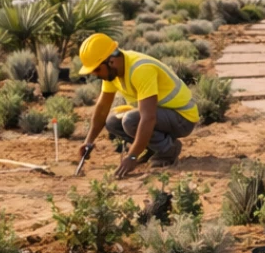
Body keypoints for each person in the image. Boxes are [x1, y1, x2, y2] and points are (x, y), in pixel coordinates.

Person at [75, 32, 198, 178]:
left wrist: (132, 156)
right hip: (162, 116)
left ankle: (168, 151)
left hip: (182, 118)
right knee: (112, 121)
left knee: (131, 120)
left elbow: (148, 118)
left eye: (96, 69)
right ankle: (154, 148)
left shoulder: (140, 69)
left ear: (111, 61)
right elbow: (102, 110)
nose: (95, 75)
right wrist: (88, 142)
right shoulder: (112, 73)